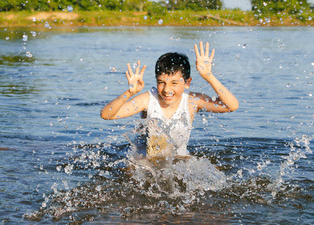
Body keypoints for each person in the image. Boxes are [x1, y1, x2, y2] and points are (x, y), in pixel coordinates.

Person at [100, 41, 239, 162]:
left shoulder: (192, 101)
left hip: (179, 158)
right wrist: (129, 92)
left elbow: (231, 106)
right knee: (133, 168)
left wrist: (208, 76)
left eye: (174, 83)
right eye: (161, 82)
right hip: (147, 159)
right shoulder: (148, 99)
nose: (167, 90)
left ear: (187, 82)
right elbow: (106, 115)